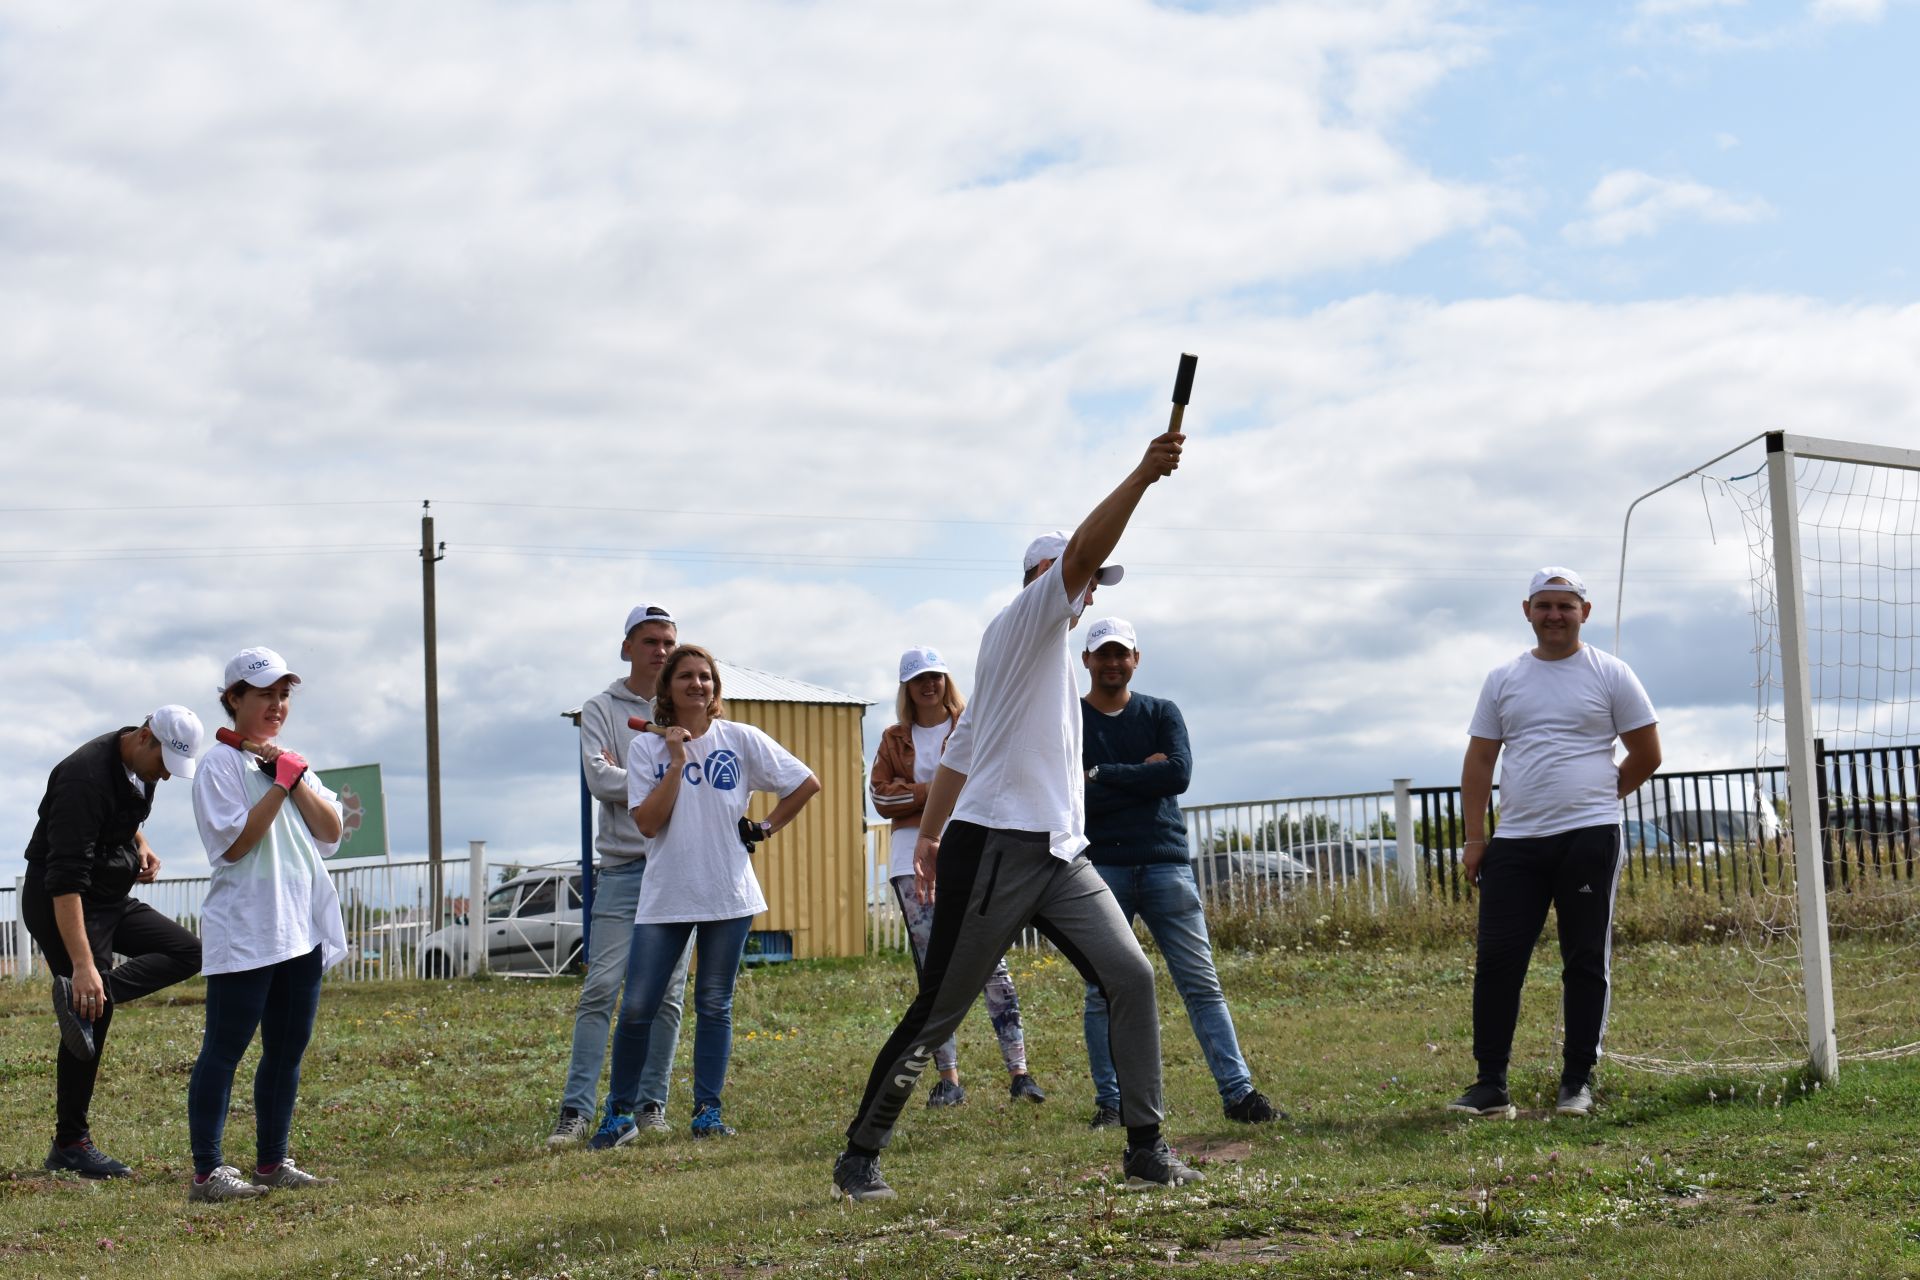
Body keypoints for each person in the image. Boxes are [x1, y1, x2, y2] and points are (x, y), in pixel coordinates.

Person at [834, 428, 1198, 1203]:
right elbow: (1074, 562)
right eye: (1082, 577)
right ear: (1042, 580)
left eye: (1097, 582)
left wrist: (927, 833)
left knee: (1130, 976)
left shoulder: (1028, 661)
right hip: (998, 851)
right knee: (941, 1011)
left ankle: (1144, 1146)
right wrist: (1141, 475)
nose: (1091, 592)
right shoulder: (1026, 618)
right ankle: (859, 1154)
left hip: (1059, 855)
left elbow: (962, 752)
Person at [1447, 569, 1662, 1119]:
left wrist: (1597, 794)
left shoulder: (1612, 673)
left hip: (1589, 836)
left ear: (1584, 612)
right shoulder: (1503, 678)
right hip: (1516, 840)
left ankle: (1576, 1084)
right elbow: (1478, 760)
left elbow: (1647, 753)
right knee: (1498, 960)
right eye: (1544, 605)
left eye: (1566, 605)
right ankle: (1490, 1085)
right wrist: (1476, 838)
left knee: (1585, 959)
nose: (1555, 615)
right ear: (1527, 610)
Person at [589, 644, 821, 1146]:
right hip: (667, 896)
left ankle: (707, 1115)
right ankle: (619, 1116)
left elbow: (805, 783)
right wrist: (676, 761)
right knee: (637, 1007)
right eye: (687, 677)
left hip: (728, 894)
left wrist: (763, 827)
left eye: (706, 677)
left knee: (714, 1004)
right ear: (667, 688)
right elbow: (648, 824)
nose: (699, 684)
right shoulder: (647, 747)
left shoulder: (740, 739)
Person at [1078, 617, 1280, 1128]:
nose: (1113, 663)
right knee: (1103, 990)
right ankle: (1112, 1103)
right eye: (1103, 654)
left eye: (1122, 653)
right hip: (1102, 868)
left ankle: (1239, 1095)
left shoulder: (1163, 711)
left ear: (1136, 659)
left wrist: (1103, 773)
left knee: (1201, 985)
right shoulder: (1070, 721)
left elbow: (1179, 774)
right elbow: (1073, 794)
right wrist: (1144, 775)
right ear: (1087, 661)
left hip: (1167, 864)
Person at [186, 647, 348, 1202]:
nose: (277, 704)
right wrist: (279, 785)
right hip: (247, 929)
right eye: (264, 695)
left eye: (284, 695)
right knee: (225, 1048)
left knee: (286, 1050)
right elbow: (235, 844)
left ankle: (271, 1162)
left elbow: (331, 832)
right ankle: (207, 1172)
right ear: (234, 700)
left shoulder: (288, 761)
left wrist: (295, 778)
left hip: (299, 928)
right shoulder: (218, 765)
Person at [21, 707, 206, 1180]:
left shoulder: (141, 764)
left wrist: (140, 843)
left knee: (187, 950)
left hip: (109, 897)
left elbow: (120, 811)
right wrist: (83, 968)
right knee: (89, 1006)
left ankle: (96, 992)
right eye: (164, 763)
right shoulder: (82, 777)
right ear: (145, 736)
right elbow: (64, 881)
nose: (165, 775)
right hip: (62, 899)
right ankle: (70, 1144)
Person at [546, 604, 694, 1145]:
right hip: (625, 868)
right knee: (601, 988)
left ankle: (648, 1105)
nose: (659, 650)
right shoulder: (601, 708)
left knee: (668, 996)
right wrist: (664, 772)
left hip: (676, 867)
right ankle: (576, 1112)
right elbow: (597, 779)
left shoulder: (686, 705)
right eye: (650, 640)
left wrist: (632, 771)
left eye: (667, 642)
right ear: (627, 647)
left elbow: (693, 779)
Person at [871, 646, 1044, 1109]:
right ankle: (948, 1078)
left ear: (947, 680)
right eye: (918, 679)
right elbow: (880, 800)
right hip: (912, 864)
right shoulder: (893, 738)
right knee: (934, 973)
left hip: (974, 855)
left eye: (936, 676)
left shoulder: (972, 724)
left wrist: (919, 798)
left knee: (993, 964)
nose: (929, 685)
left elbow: (990, 780)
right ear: (906, 688)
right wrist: (940, 790)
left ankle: (1020, 1072)